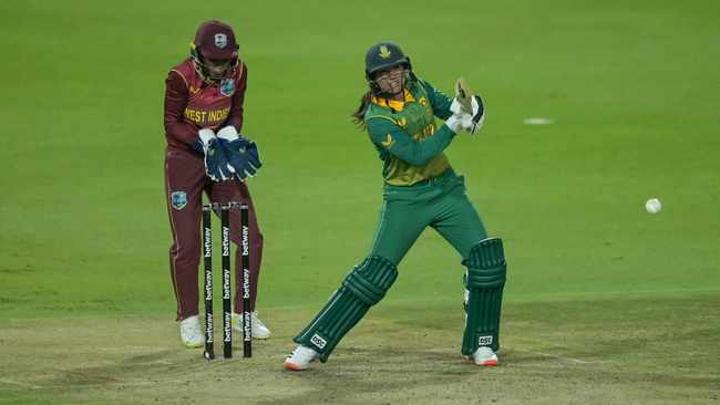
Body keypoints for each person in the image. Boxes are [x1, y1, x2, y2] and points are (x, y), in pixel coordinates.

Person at [284, 41, 507, 370]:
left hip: (446, 191)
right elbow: (418, 154)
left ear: (406, 68)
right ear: (372, 79)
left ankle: (480, 344)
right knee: (374, 274)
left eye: (397, 68)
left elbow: (448, 107)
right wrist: (453, 126)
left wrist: (470, 112)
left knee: (486, 261)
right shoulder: (377, 118)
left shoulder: (418, 87)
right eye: (383, 73)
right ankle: (311, 343)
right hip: (406, 200)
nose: (392, 76)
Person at [163, 20, 271, 348]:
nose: (220, 68)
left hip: (222, 157)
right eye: (213, 61)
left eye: (225, 61)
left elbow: (236, 110)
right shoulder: (180, 77)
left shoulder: (239, 72)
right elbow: (171, 123)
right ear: (197, 54)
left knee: (251, 238)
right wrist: (202, 140)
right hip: (185, 161)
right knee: (188, 245)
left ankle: (243, 313)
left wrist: (230, 133)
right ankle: (189, 319)